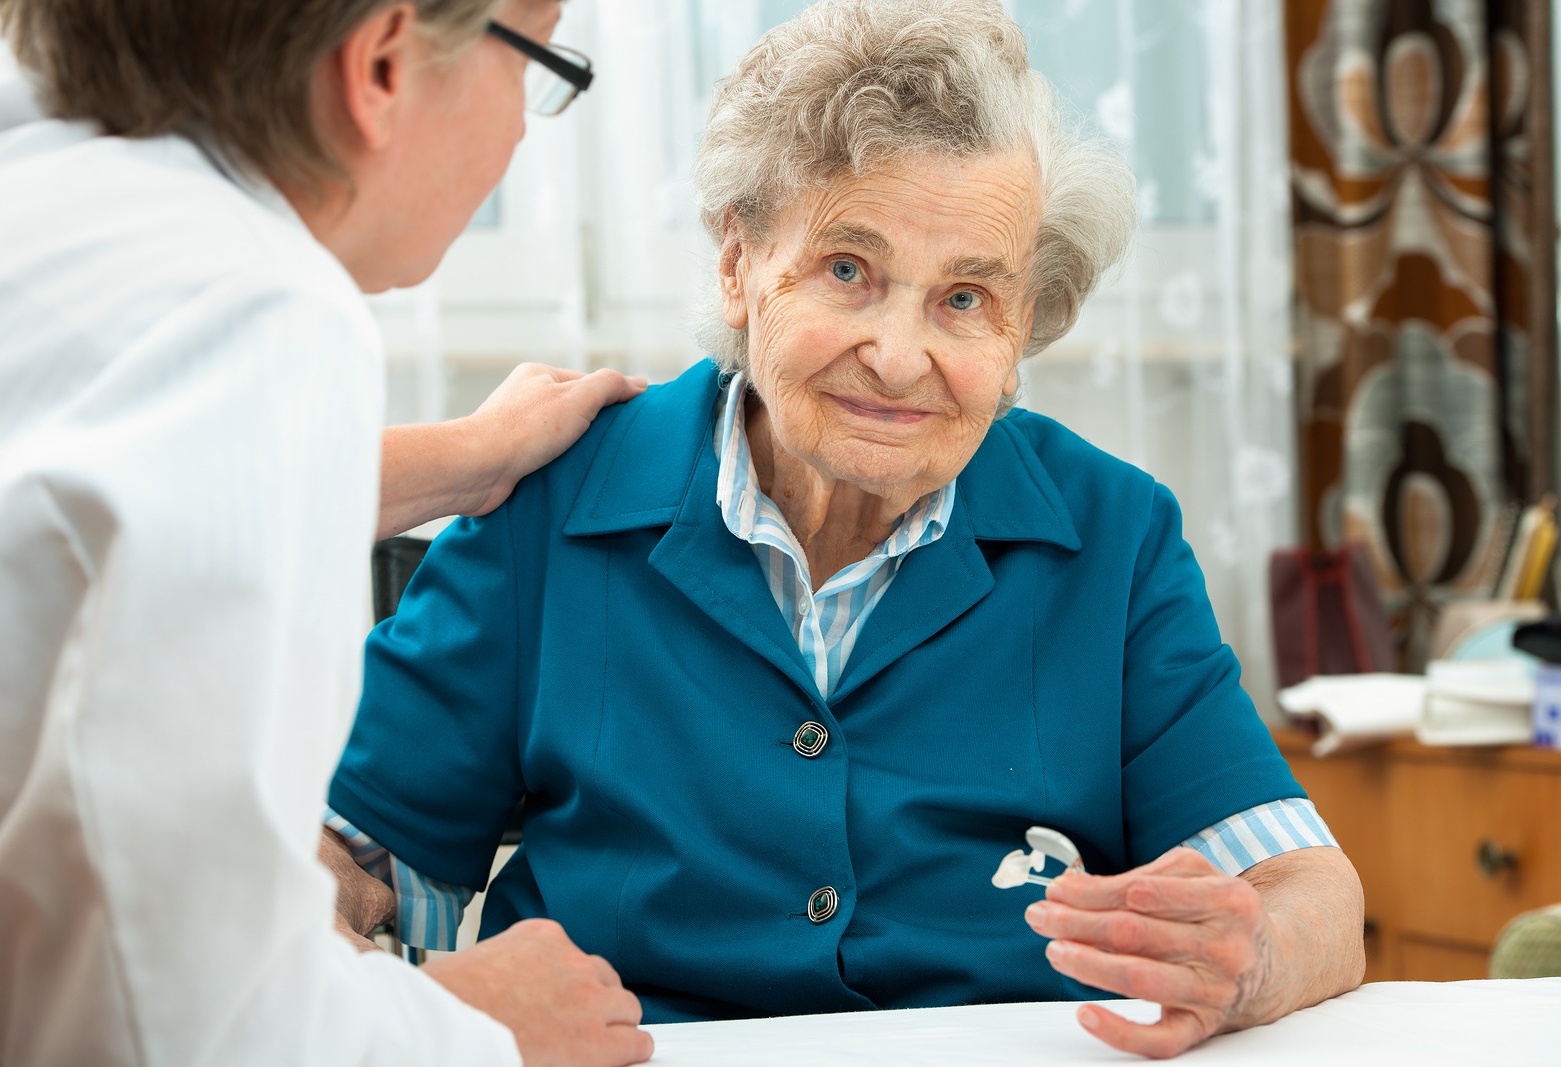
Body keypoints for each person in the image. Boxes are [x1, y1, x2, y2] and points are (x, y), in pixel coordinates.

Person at [322, 0, 1366, 1058]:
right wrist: (379, 989)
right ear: (737, 261)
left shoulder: (1113, 531)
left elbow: (1304, 887)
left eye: (964, 297)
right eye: (848, 270)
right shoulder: (551, 499)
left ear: (1023, 328)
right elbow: (339, 858)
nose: (900, 355)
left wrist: (1253, 954)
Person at [0, 1, 656, 1065]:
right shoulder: (252, 315)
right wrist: (476, 1025)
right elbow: (171, 1025)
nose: (524, 129)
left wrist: (469, 456)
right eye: (535, 60)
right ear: (380, 63)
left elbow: (74, 491)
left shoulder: (18, 192)